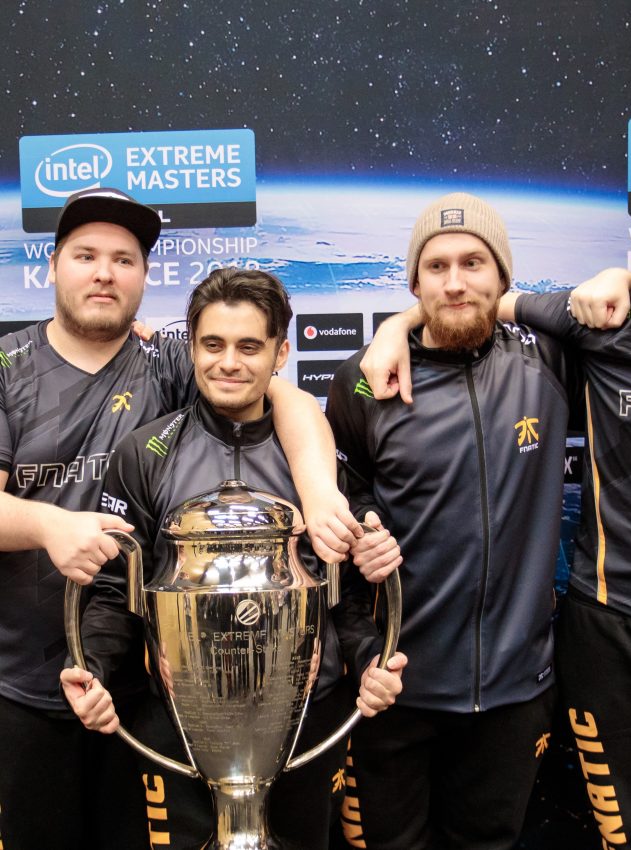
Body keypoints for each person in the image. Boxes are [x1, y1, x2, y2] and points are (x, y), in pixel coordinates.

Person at [0, 188, 363, 850]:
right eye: (85, 256)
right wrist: (50, 526)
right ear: (50, 266)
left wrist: (317, 493)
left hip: (145, 688)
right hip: (24, 674)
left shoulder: (167, 361)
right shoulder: (6, 367)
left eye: (124, 260)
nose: (105, 273)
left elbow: (272, 389)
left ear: (145, 276)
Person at [360, 155, 631, 849]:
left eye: (472, 261)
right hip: (612, 637)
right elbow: (470, 303)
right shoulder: (604, 330)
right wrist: (394, 326)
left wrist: (625, 278)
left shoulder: (592, 320)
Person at [61, 267, 407, 850]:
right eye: (213, 344)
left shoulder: (319, 462)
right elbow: (117, 592)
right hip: (181, 722)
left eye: (249, 347)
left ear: (280, 353)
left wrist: (372, 657)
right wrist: (91, 667)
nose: (228, 363)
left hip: (304, 720)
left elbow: (341, 592)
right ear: (192, 348)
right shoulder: (145, 454)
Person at [325, 192, 581, 850]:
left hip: (515, 690)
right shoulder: (364, 380)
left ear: (503, 277)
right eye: (436, 267)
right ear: (414, 282)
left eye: (473, 263)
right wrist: (363, 527)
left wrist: (399, 320)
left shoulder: (548, 361)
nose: (455, 282)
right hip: (395, 687)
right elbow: (338, 494)